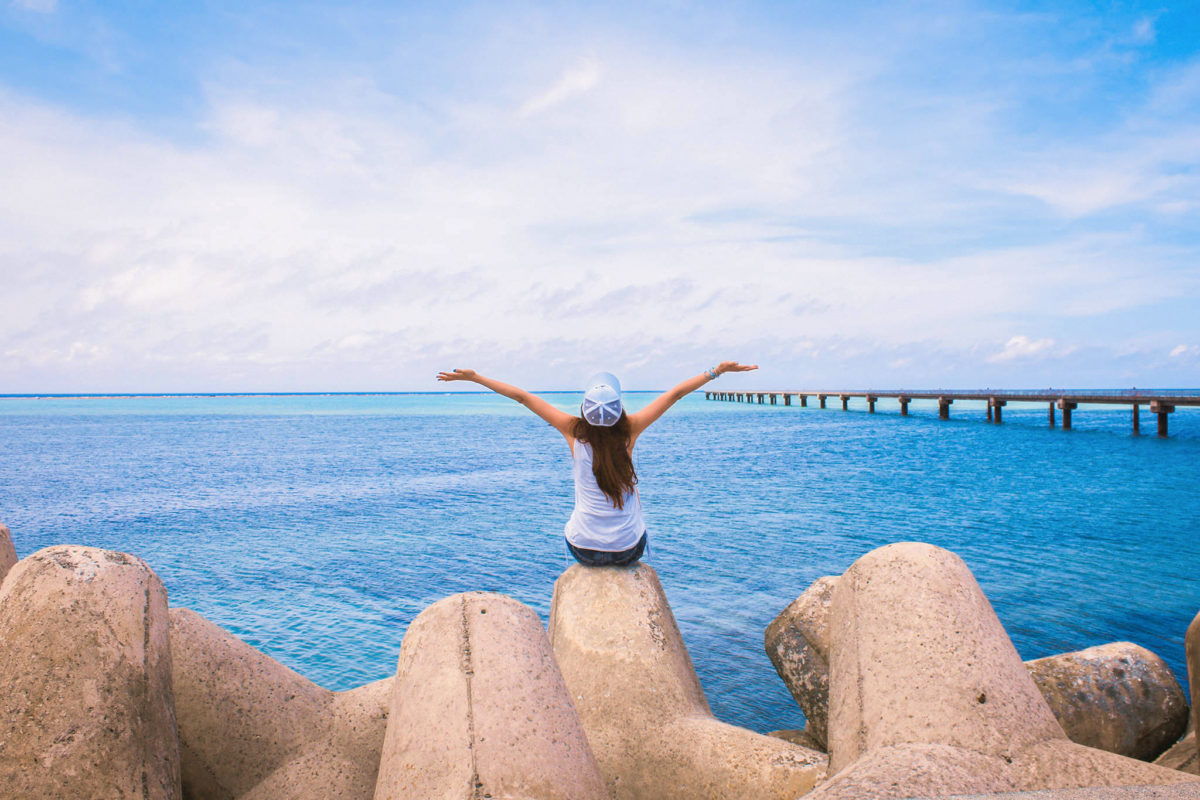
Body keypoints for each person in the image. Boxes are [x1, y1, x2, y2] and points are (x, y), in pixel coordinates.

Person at [435, 362, 758, 566]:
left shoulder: (574, 431)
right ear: (619, 408)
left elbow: (523, 397)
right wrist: (716, 371)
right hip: (629, 550)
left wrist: (476, 377)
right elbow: (674, 394)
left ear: (585, 408)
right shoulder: (630, 430)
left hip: (584, 549)